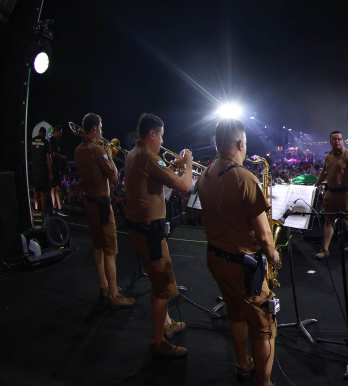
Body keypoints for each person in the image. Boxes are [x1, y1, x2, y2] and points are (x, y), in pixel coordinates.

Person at [199, 118, 279, 385]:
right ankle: (264, 382)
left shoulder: (206, 174)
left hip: (215, 257)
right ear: (240, 143)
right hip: (243, 266)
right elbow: (264, 234)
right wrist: (274, 256)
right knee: (265, 328)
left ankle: (243, 363)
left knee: (235, 313)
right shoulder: (244, 177)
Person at [124, 113, 194, 358]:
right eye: (161, 136)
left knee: (160, 279)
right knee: (162, 286)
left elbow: (158, 175)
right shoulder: (147, 155)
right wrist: (187, 163)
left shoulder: (135, 153)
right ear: (151, 134)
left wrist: (173, 166)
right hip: (150, 230)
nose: (163, 143)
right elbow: (185, 186)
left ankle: (166, 323)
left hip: (140, 228)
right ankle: (158, 341)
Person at [73, 113, 134, 308]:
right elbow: (114, 176)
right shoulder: (97, 150)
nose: (102, 132)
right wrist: (108, 153)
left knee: (98, 246)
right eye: (101, 128)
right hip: (101, 204)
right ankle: (114, 295)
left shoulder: (78, 150)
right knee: (110, 250)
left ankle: (104, 286)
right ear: (95, 129)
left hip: (89, 203)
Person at [312, 131, 348, 259]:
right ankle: (325, 249)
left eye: (339, 139)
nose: (337, 141)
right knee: (328, 221)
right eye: (334, 139)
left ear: (343, 140)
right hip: (330, 193)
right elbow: (324, 172)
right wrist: (316, 185)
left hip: (345, 194)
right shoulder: (329, 156)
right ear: (330, 142)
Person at [29, 126, 52, 214]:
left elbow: (28, 152)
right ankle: (43, 210)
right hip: (42, 169)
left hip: (34, 169)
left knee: (36, 190)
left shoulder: (32, 141)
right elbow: (48, 158)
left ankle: (36, 208)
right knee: (43, 192)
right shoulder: (45, 142)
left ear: (39, 132)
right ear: (44, 133)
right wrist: (50, 172)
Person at [50, 126, 66, 214]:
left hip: (54, 167)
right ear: (55, 132)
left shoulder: (55, 141)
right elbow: (54, 153)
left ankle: (55, 208)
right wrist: (62, 157)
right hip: (54, 168)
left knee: (54, 187)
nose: (60, 135)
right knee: (57, 187)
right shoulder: (53, 141)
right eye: (59, 133)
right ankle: (59, 208)